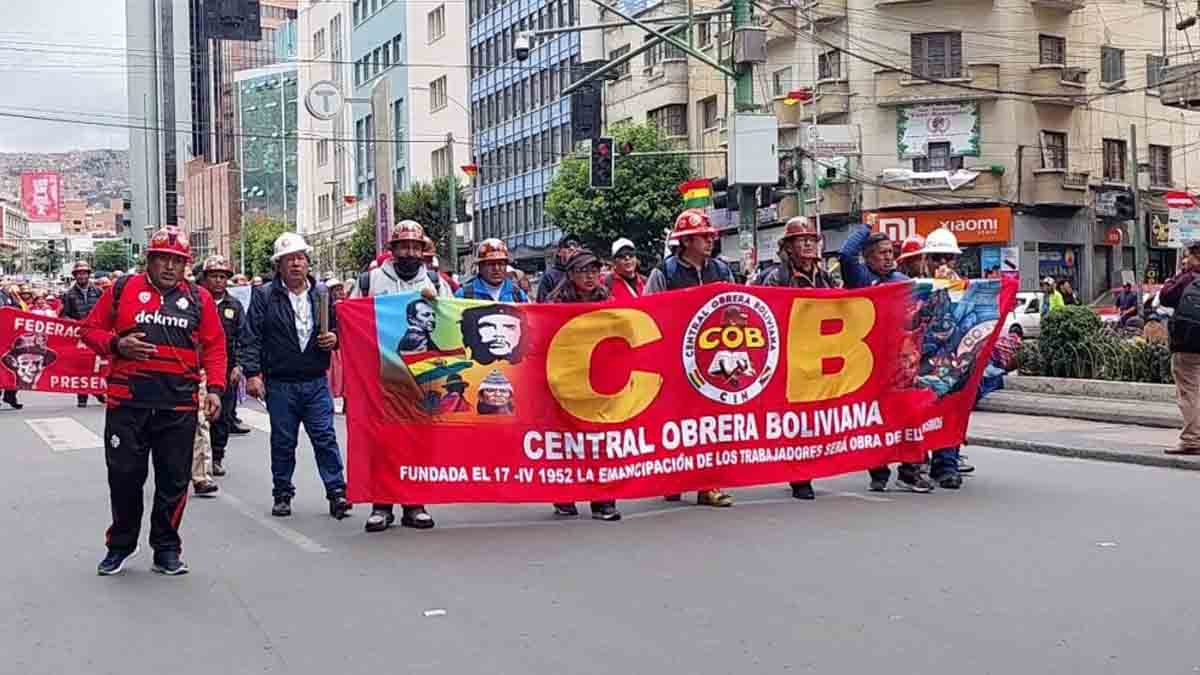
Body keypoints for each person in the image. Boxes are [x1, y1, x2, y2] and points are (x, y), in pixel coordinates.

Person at [83, 226, 227, 576]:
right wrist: (117, 344)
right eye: (162, 258)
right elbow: (88, 330)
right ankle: (120, 546)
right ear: (149, 259)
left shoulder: (199, 299)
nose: (169, 266)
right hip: (127, 404)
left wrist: (215, 389)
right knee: (124, 478)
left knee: (173, 481)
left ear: (186, 265)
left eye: (177, 261)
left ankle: (166, 549)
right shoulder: (122, 289)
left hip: (178, 406)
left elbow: (215, 346)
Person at [751, 216, 869, 499]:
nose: (807, 244)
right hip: (792, 359)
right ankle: (799, 476)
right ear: (788, 247)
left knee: (817, 417)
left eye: (811, 240)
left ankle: (812, 466)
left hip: (821, 359)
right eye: (800, 240)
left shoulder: (825, 277)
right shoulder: (776, 278)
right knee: (794, 418)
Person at [242, 232, 351, 521]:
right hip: (281, 383)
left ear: (307, 262)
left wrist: (334, 339)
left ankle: (337, 492)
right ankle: (282, 493)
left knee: (325, 437)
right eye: (288, 259)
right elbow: (251, 337)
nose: (295, 264)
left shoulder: (322, 294)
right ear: (278, 265)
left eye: (300, 258)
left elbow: (339, 330)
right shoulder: (265, 296)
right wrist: (252, 374)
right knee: (283, 440)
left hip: (315, 381)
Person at [353, 219, 452, 533]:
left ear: (423, 251)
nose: (409, 252)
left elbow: (453, 322)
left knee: (417, 441)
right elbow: (353, 319)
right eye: (403, 247)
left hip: (422, 379)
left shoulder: (436, 282)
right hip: (380, 376)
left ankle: (415, 503)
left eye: (415, 247)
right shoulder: (370, 281)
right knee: (381, 441)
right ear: (392, 250)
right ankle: (381, 506)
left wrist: (438, 304)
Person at [645, 209, 736, 508]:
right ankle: (674, 477)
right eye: (702, 237)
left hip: (713, 359)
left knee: (710, 422)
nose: (710, 241)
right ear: (685, 242)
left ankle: (708, 484)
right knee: (676, 422)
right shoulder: (665, 273)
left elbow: (735, 307)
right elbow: (649, 314)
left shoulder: (721, 270)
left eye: (710, 236)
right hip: (675, 360)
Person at [838, 223, 931, 492]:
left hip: (903, 363)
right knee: (876, 419)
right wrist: (866, 227)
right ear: (868, 257)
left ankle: (910, 471)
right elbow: (845, 254)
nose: (888, 257)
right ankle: (878, 471)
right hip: (870, 364)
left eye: (891, 252)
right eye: (881, 252)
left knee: (909, 416)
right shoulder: (860, 278)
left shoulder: (903, 281)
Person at [546, 249, 621, 521]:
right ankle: (565, 495)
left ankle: (603, 500)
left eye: (594, 270)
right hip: (566, 379)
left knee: (599, 440)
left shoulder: (607, 301)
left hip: (599, 380)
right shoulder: (555, 304)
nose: (590, 276)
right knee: (566, 440)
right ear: (570, 274)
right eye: (583, 271)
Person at [198, 255, 244, 477]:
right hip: (197, 367)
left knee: (221, 415)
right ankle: (195, 460)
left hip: (226, 367)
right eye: (214, 276)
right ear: (205, 278)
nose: (218, 281)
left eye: (222, 277)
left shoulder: (234, 306)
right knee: (196, 417)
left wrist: (239, 366)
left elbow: (243, 337)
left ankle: (216, 457)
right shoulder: (195, 300)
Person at [1159, 240, 1200, 455]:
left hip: (1188, 344)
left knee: (1189, 392)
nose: (1185, 260)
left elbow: (1165, 297)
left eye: (1187, 256)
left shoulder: (1187, 278)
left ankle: (1192, 439)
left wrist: (1178, 274)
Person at [60, 260, 106, 407]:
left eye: (84, 273)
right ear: (75, 276)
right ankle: (82, 396)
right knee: (81, 366)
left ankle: (98, 391)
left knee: (96, 365)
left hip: (96, 333)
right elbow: (63, 315)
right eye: (79, 274)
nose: (82, 276)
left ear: (88, 275)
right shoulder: (69, 295)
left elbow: (105, 311)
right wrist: (75, 322)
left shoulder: (98, 292)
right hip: (79, 335)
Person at [456, 239, 528, 302]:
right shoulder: (463, 295)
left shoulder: (518, 295)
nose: (496, 268)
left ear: (506, 266)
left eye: (501, 264)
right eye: (491, 264)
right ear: (480, 267)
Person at [536, 235, 580, 302]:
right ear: (559, 252)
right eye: (567, 245)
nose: (572, 248)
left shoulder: (586, 272)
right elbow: (542, 303)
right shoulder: (549, 275)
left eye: (576, 245)